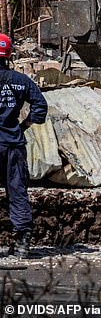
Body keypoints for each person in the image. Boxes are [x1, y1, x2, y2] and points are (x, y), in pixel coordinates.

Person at [0, 33, 47, 258]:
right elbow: (40, 105)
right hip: (13, 144)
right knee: (17, 191)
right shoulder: (21, 81)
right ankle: (22, 242)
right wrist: (24, 125)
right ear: (8, 55)